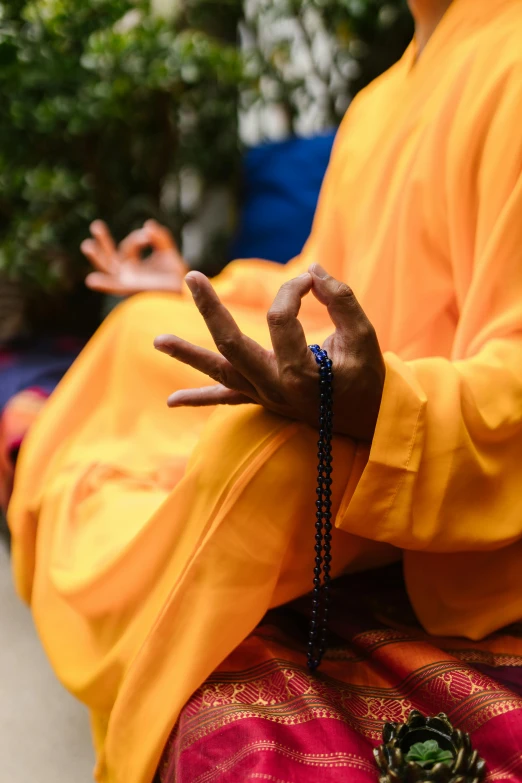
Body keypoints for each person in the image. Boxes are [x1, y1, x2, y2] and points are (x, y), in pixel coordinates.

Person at [7, 0, 522, 781]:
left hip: (430, 443)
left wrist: (380, 408)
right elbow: (316, 283)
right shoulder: (380, 98)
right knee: (137, 331)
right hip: (354, 391)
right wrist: (191, 285)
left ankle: (132, 632)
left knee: (260, 449)